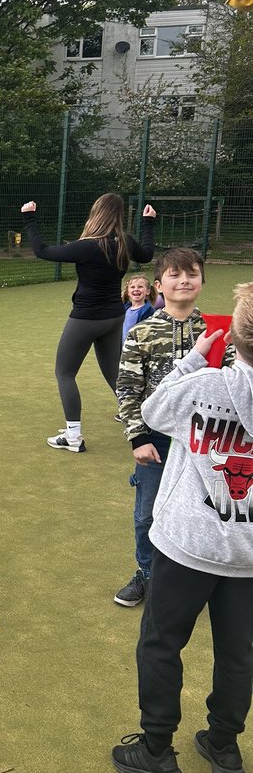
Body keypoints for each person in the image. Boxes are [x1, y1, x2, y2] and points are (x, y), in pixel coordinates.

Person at [112, 283, 253, 773]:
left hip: (188, 543)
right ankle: (224, 744)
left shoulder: (206, 382)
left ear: (234, 333)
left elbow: (150, 411)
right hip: (247, 552)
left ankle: (156, 750)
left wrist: (192, 359)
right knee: (239, 652)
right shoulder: (215, 382)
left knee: (161, 643)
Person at [114, 249, 234, 607]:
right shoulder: (143, 331)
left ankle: (200, 579)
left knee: (208, 509)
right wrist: (137, 437)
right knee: (147, 512)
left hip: (206, 440)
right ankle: (148, 574)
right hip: (156, 441)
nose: (184, 280)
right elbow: (127, 387)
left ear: (201, 281)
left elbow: (231, 380)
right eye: (175, 275)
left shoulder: (216, 330)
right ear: (158, 285)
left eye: (192, 274)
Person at [21, 194, 155, 452]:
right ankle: (142, 422)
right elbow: (147, 254)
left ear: (96, 213)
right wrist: (148, 222)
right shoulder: (124, 242)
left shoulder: (88, 246)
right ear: (118, 215)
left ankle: (73, 436)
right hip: (114, 317)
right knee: (114, 373)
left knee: (65, 373)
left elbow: (42, 251)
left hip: (86, 318)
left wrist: (29, 217)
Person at [121, 274, 157, 343]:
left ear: (148, 291)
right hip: (123, 348)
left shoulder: (149, 311)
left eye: (140, 287)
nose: (136, 289)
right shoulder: (125, 308)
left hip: (138, 348)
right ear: (128, 292)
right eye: (132, 287)